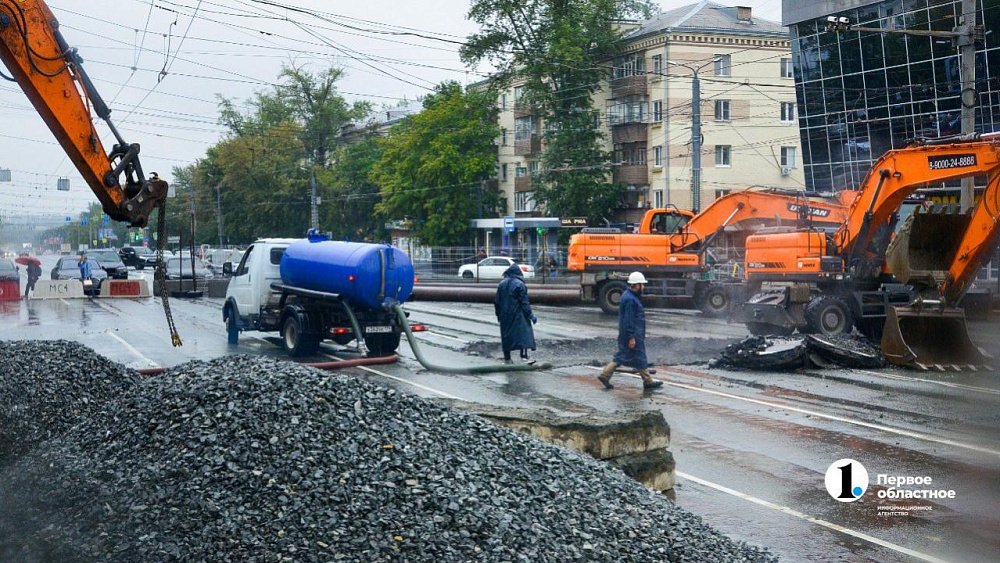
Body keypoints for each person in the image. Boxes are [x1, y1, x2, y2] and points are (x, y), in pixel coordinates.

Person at [598, 271, 663, 390]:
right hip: (633, 334)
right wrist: (631, 337)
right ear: (636, 285)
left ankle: (605, 375)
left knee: (627, 355)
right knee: (637, 356)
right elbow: (628, 319)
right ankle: (647, 381)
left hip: (631, 333)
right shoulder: (630, 299)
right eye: (642, 284)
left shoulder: (629, 296)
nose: (643, 287)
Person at [494, 262, 537, 364]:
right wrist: (531, 315)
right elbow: (524, 303)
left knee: (506, 336)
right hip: (518, 314)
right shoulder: (520, 284)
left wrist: (498, 314)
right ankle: (524, 357)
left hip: (505, 315)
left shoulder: (501, 284)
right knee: (524, 334)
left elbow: (497, 302)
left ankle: (507, 358)